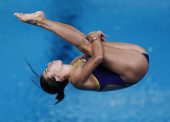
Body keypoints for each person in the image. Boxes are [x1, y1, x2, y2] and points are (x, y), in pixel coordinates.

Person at [14, 11, 149, 104]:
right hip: (135, 68)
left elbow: (92, 47)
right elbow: (98, 58)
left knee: (85, 42)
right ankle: (40, 21)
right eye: (48, 70)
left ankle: (42, 20)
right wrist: (95, 38)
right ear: (58, 78)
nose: (49, 64)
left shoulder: (75, 62)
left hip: (135, 54)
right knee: (86, 44)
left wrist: (97, 40)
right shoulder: (76, 80)